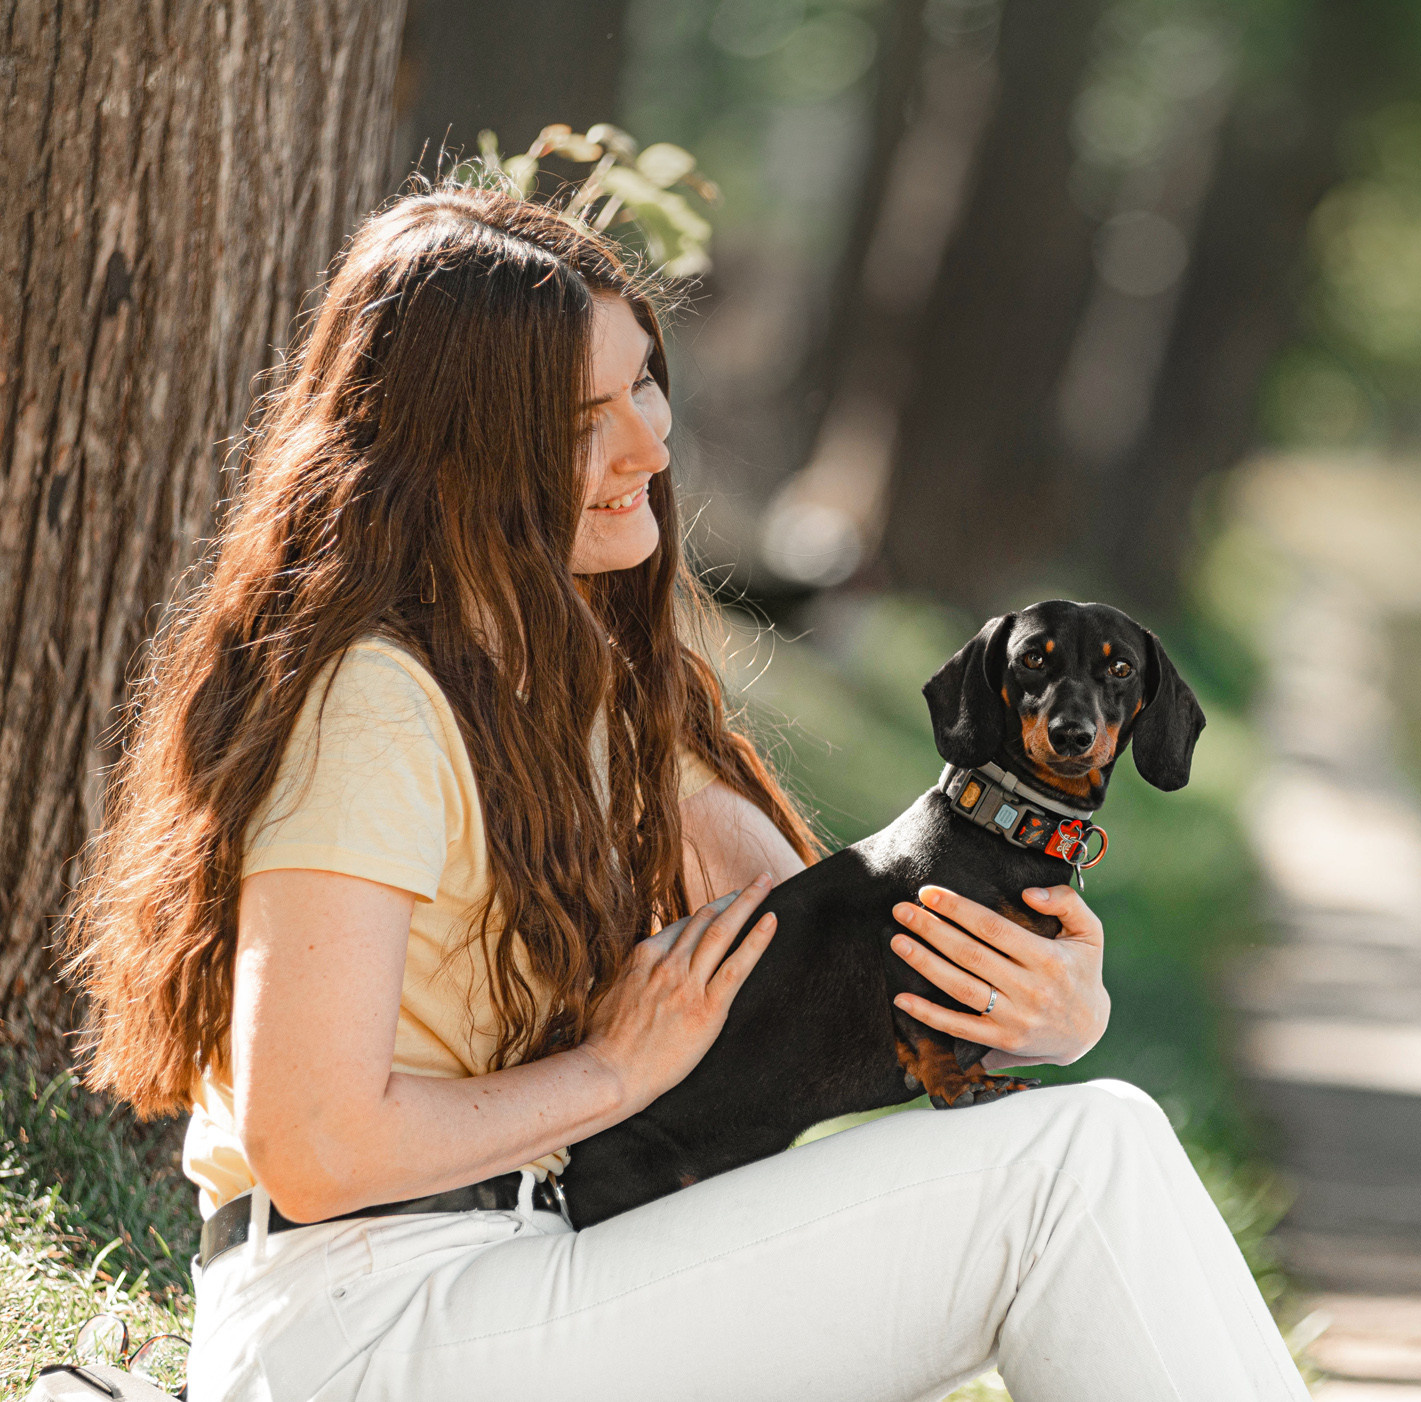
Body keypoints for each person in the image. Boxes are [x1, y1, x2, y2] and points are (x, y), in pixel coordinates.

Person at [64, 187, 1310, 1402]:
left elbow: (821, 964)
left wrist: (1050, 1008)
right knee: (1069, 1168)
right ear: (459, 449)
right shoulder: (376, 706)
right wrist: (609, 1075)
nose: (649, 443)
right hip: (363, 1323)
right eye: (579, 419)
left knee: (1109, 1128)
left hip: (531, 1265)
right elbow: (318, 1146)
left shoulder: (585, 700)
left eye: (644, 382)